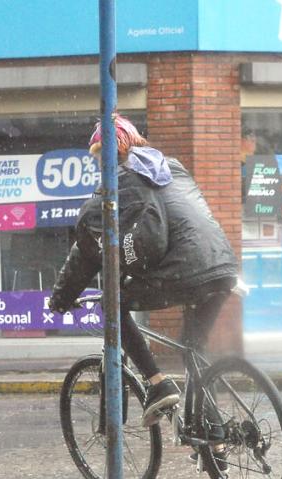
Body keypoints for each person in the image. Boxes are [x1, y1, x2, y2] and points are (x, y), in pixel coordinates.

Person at [49, 114, 238, 430]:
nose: (100, 165)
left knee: (112, 304)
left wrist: (61, 298)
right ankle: (215, 436)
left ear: (114, 152)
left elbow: (86, 248)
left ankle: (157, 383)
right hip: (221, 266)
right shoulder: (173, 167)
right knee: (195, 347)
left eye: (100, 156)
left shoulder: (118, 182)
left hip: (183, 271)